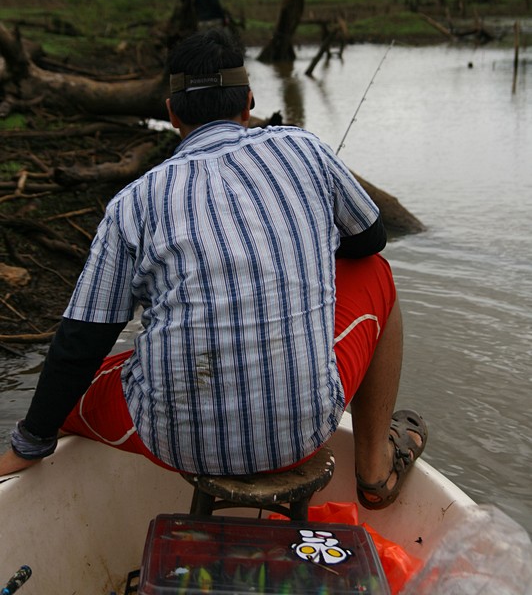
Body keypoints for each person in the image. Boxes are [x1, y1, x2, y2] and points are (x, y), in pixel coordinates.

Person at [0, 29, 427, 510]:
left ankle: (34, 448)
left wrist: (29, 441)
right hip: (306, 431)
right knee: (378, 274)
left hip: (173, 444)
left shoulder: (133, 203)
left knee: (81, 385)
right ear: (248, 103)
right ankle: (374, 470)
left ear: (172, 114)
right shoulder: (304, 149)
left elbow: (80, 340)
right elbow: (370, 241)